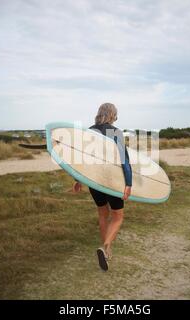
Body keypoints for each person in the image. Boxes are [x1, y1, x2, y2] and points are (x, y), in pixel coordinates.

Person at [72, 103, 132, 271]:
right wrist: (128, 183)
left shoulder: (89, 131)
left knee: (102, 213)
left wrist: (77, 179)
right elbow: (124, 162)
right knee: (118, 216)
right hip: (112, 180)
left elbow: (81, 159)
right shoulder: (116, 132)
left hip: (94, 180)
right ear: (113, 115)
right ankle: (106, 247)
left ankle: (107, 250)